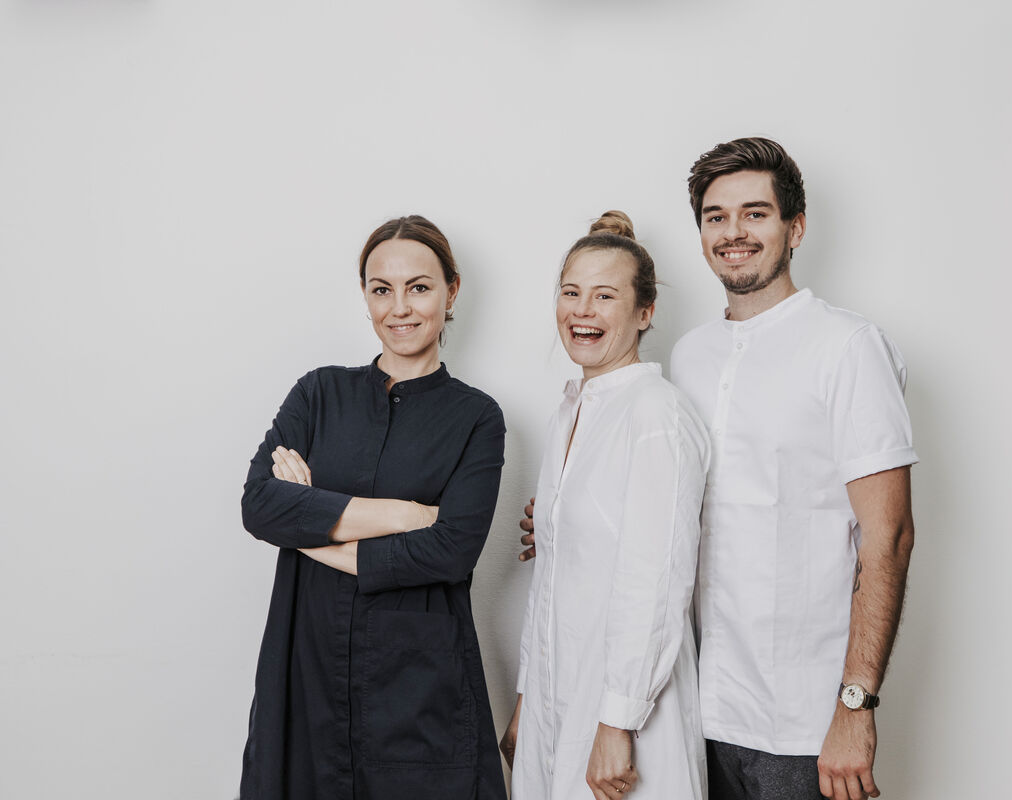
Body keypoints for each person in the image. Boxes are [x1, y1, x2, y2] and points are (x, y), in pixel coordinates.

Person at [521, 139, 917, 800]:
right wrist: (571, 517)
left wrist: (856, 705)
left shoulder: (848, 348)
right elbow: (665, 505)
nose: (733, 232)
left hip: (805, 719)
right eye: (715, 216)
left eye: (755, 213)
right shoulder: (691, 356)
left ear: (795, 227)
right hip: (699, 706)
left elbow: (890, 537)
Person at [239, 215, 507, 800]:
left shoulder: (477, 417)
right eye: (381, 289)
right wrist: (404, 515)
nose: (400, 308)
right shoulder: (317, 393)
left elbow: (450, 550)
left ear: (451, 290)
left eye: (419, 286)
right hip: (305, 670)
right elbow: (259, 504)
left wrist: (305, 520)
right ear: (365, 296)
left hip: (419, 689)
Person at [502, 212, 711, 800]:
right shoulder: (570, 410)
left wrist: (617, 722)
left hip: (626, 714)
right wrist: (527, 701)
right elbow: (550, 583)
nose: (582, 310)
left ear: (644, 313)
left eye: (604, 296)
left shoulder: (655, 415)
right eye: (571, 293)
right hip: (556, 704)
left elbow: (656, 581)